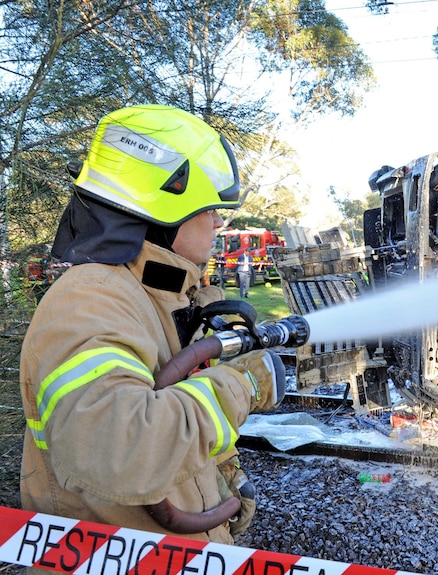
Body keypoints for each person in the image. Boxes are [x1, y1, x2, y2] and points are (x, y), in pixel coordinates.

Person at [19, 104, 285, 548]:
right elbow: (120, 448)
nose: (219, 221)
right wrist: (242, 387)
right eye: (211, 208)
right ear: (164, 208)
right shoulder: (90, 299)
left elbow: (176, 410)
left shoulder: (156, 296)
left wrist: (224, 485)